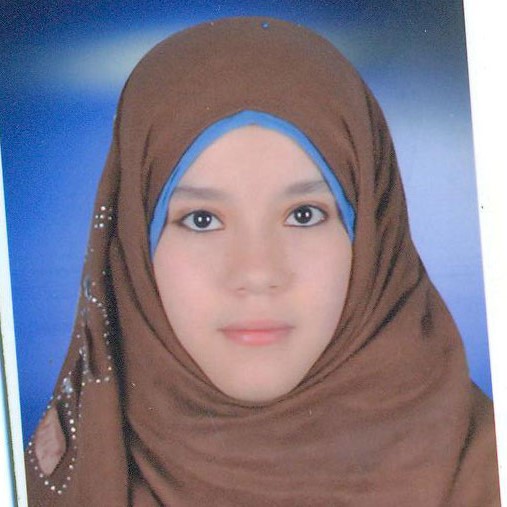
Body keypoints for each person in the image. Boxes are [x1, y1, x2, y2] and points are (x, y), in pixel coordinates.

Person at [25, 17, 500, 506]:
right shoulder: (59, 481)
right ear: (132, 249)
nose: (256, 273)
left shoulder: (487, 469)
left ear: (375, 237)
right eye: (202, 220)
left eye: (303, 214)